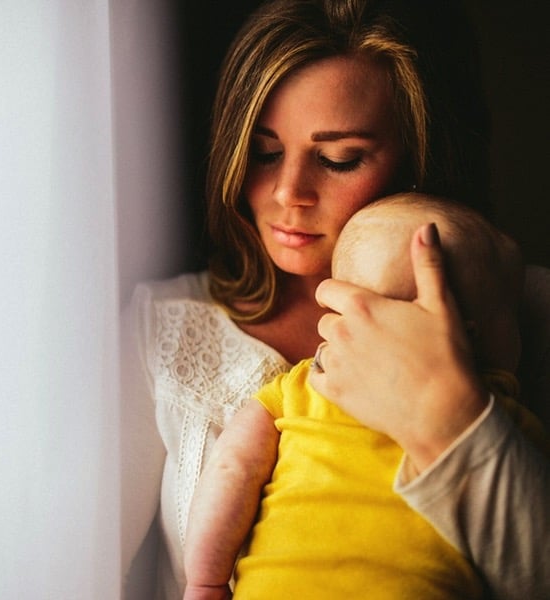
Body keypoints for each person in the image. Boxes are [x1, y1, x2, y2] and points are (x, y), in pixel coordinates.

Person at [120, 1, 550, 598]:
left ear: (418, 157)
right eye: (265, 152)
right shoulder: (163, 328)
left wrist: (449, 418)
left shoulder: (524, 309)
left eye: (338, 159)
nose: (289, 192)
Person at [181, 193, 550, 599]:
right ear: (474, 332)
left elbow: (231, 469)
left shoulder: (300, 387)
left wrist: (206, 580)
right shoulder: (502, 421)